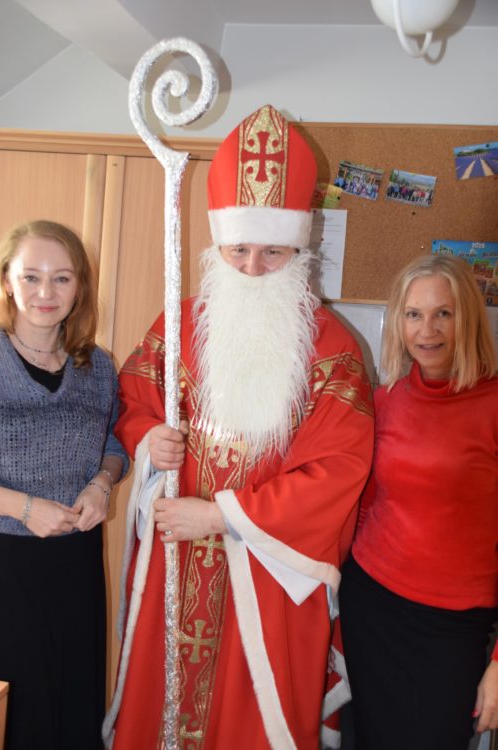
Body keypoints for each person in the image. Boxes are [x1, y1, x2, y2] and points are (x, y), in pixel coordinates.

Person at [103, 104, 374, 750]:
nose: (252, 266)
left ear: (299, 250)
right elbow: (134, 398)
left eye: (272, 251)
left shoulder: (333, 349)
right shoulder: (178, 322)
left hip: (266, 578)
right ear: (218, 247)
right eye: (239, 250)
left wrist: (220, 516)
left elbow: (337, 471)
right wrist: (148, 439)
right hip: (175, 559)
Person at [339, 253, 498, 750]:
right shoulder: (386, 400)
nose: (427, 330)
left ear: (467, 318)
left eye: (442, 313)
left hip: (451, 629)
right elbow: (366, 504)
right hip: (371, 606)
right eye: (413, 314)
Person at [0, 220, 128, 750]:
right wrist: (23, 507)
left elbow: (114, 444)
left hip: (76, 563)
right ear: (7, 282)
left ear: (80, 287)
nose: (45, 292)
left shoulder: (98, 367)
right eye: (30, 277)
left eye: (62, 278)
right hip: (6, 564)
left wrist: (103, 484)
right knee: (17, 712)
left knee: (73, 705)